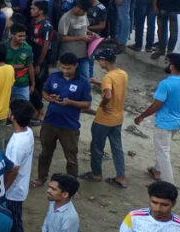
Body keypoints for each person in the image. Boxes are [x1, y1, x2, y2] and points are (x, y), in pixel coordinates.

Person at [33, 52, 91, 186]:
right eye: (63, 67)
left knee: (71, 157)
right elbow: (44, 92)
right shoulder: (53, 77)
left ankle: (72, 185)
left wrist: (70, 102)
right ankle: (41, 178)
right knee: (45, 153)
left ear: (76, 66)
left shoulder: (83, 83)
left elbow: (87, 104)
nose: (65, 71)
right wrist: (49, 98)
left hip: (69, 126)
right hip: (49, 122)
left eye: (68, 68)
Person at [134, 53, 180, 183]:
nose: (167, 64)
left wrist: (141, 116)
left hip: (164, 123)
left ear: (172, 66)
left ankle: (168, 184)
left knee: (163, 153)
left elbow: (157, 104)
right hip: (177, 122)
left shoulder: (166, 84)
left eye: (168, 62)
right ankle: (156, 170)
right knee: (164, 149)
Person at [86, 49, 128, 187]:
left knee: (97, 147)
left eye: (99, 60)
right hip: (118, 118)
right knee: (117, 147)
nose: (99, 63)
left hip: (103, 119)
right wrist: (98, 83)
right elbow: (115, 88)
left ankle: (96, 174)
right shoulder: (122, 73)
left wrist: (103, 105)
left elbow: (108, 95)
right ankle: (121, 176)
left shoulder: (108, 77)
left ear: (104, 60)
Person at [4, 100, 35, 232]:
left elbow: (14, 168)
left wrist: (5, 188)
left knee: (14, 224)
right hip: (20, 185)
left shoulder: (17, 144)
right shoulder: (28, 132)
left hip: (13, 191)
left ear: (13, 116)